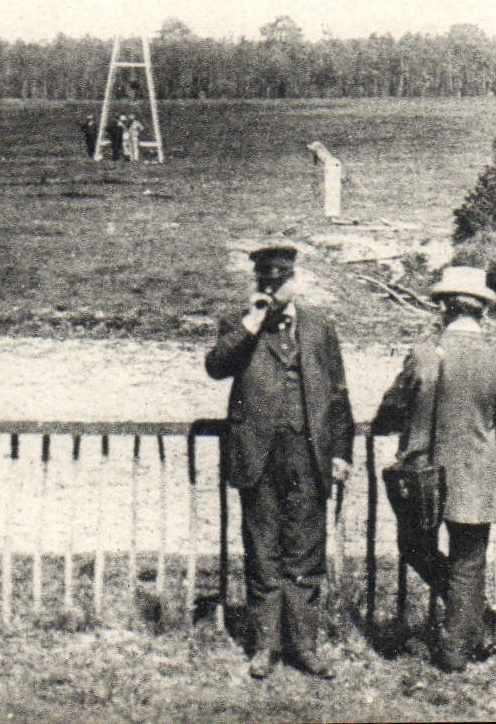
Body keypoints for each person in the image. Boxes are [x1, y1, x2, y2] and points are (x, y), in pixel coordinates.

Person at [206, 245, 354, 679]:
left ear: (296, 281)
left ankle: (304, 645)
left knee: (306, 551)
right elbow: (216, 366)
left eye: (280, 282)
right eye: (264, 283)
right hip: (258, 456)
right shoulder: (241, 325)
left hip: (309, 456)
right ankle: (266, 645)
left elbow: (340, 396)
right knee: (263, 550)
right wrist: (250, 325)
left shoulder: (320, 327)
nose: (272, 290)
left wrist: (341, 452)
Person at [373, 266, 496, 671]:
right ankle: (459, 645)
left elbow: (390, 409)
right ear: (484, 312)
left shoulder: (423, 353)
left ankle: (472, 622)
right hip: (476, 472)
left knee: (414, 547)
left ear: (441, 308)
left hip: (421, 473)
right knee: (469, 559)